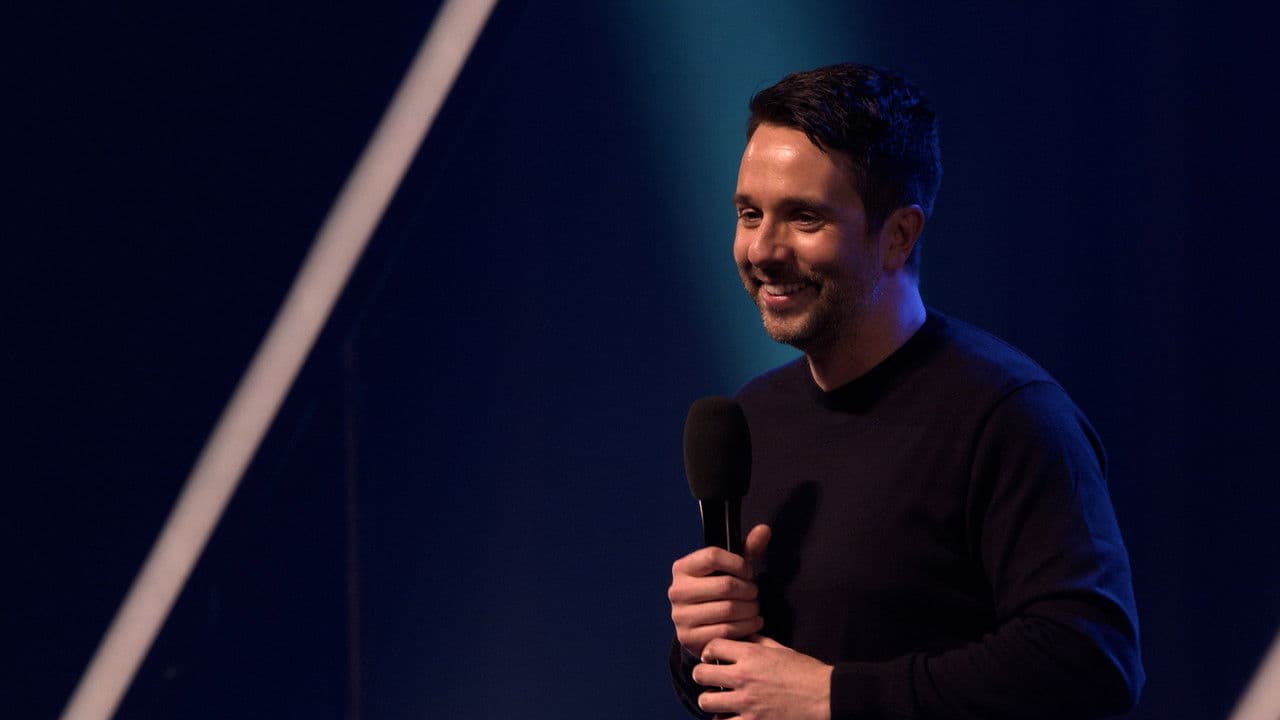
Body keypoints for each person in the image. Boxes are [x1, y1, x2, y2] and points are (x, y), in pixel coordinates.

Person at [666, 63, 1144, 719]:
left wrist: (835, 697)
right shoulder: (754, 415)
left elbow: (1090, 663)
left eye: (803, 217)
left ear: (898, 236)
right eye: (750, 214)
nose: (762, 250)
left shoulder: (1007, 415)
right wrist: (698, 646)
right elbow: (753, 689)